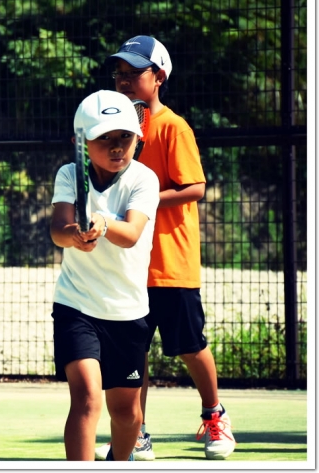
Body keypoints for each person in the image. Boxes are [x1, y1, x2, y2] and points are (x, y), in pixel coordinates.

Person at [95, 35, 236, 461]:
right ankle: (136, 432)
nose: (123, 80)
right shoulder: (116, 132)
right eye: (118, 73)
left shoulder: (172, 127)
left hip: (170, 264)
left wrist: (147, 198)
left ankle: (215, 415)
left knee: (190, 346)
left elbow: (195, 186)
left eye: (133, 73)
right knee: (133, 354)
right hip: (129, 265)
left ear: (158, 77)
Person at [51, 90, 160, 461]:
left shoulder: (144, 179)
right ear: (81, 143)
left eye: (125, 137)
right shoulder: (68, 173)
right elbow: (57, 230)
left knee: (128, 414)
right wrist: (75, 236)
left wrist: (102, 222)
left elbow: (130, 235)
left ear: (137, 137)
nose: (117, 147)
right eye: (105, 139)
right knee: (86, 399)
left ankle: (118, 462)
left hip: (128, 314)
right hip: (76, 307)